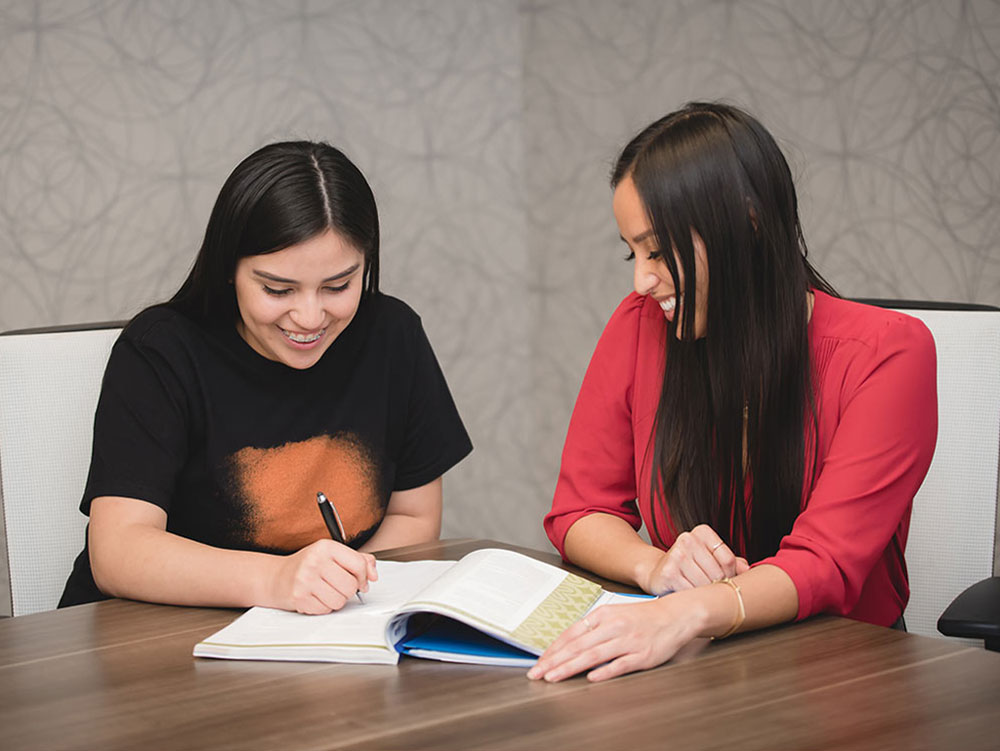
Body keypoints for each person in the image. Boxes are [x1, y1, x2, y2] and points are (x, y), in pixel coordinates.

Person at [529, 102, 937, 682]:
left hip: (844, 675)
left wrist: (686, 612)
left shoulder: (890, 355)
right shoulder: (639, 325)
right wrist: (657, 568)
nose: (641, 280)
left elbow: (826, 562)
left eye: (656, 250)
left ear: (746, 224)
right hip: (697, 666)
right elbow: (579, 511)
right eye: (632, 252)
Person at [59, 141, 472, 614]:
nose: (310, 316)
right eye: (278, 289)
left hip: (318, 641)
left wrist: (336, 588)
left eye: (338, 285)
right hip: (151, 642)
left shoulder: (392, 336)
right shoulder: (161, 351)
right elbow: (118, 553)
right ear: (229, 270)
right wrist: (278, 581)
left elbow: (414, 515)